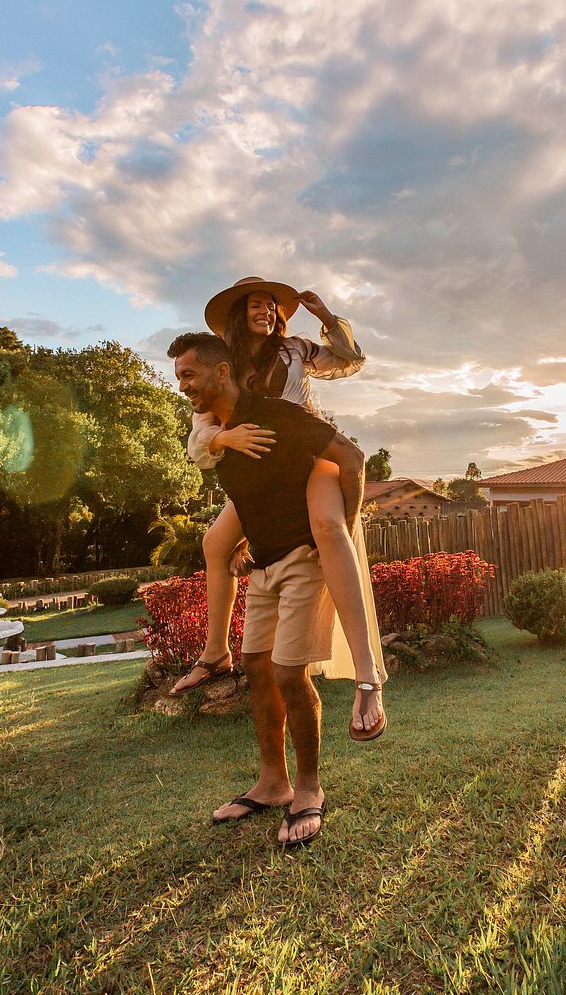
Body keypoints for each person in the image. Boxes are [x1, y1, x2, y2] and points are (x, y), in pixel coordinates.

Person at [168, 330, 366, 847]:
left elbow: (351, 457)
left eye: (189, 374)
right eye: (179, 376)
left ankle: (309, 788)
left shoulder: (279, 414)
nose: (182, 385)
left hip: (303, 558)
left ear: (222, 371)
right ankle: (273, 783)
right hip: (261, 565)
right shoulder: (215, 436)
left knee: (288, 673)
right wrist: (240, 543)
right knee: (257, 668)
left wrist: (343, 528)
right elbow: (252, 494)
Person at [170, 276, 386, 742]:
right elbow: (200, 434)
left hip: (307, 452)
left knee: (328, 528)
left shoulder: (296, 350)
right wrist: (224, 438)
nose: (265, 311)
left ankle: (368, 676)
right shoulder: (224, 365)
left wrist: (326, 316)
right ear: (238, 313)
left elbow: (350, 361)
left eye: (271, 305)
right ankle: (215, 652)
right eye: (255, 304)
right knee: (215, 543)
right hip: (262, 468)